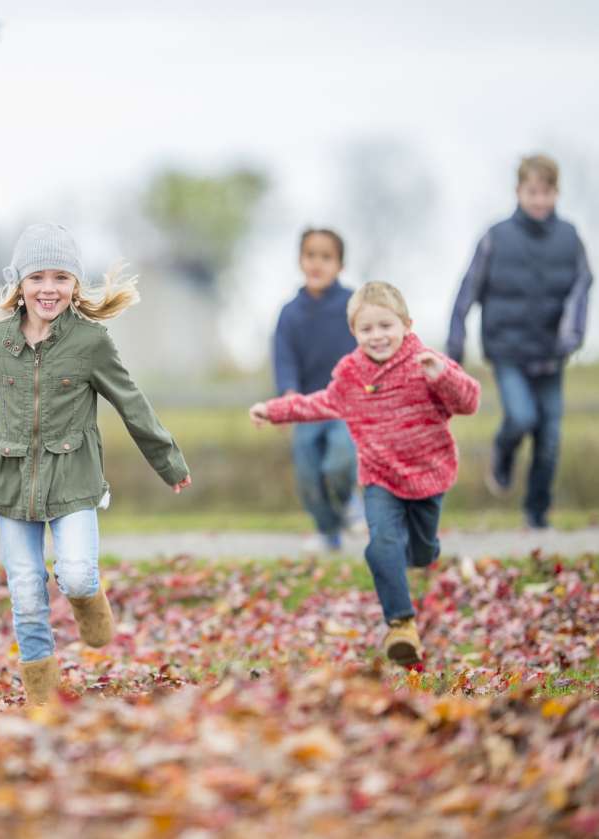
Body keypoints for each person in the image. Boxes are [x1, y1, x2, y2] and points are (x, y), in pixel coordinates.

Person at [0, 224, 192, 705]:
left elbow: (132, 403)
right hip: (9, 479)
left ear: (75, 285)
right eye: (38, 277)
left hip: (73, 478)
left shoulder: (92, 343)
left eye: (61, 278)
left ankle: (89, 600)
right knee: (26, 593)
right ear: (19, 284)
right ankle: (43, 699)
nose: (49, 288)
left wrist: (167, 459)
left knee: (75, 575)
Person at [252, 281, 480, 667]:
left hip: (427, 474)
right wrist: (275, 410)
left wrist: (443, 375)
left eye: (385, 326)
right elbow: (321, 403)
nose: (377, 336)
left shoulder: (427, 363)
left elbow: (469, 401)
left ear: (406, 324)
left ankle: (424, 553)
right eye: (366, 329)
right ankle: (400, 625)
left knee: (421, 553)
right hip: (380, 478)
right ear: (354, 333)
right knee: (380, 545)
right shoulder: (351, 374)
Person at [446, 153, 592, 529]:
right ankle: (503, 453)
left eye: (546, 192)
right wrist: (456, 340)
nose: (539, 200)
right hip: (507, 350)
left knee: (550, 437)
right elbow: (469, 288)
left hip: (550, 354)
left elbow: (582, 285)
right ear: (519, 191)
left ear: (556, 193)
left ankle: (536, 514)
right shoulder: (496, 236)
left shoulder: (570, 238)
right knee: (522, 416)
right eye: (532, 191)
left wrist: (572, 335)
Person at [272, 228, 361, 551]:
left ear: (340, 265)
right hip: (307, 406)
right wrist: (288, 390)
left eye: (326, 257)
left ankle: (349, 499)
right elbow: (283, 357)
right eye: (311, 255)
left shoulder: (353, 306)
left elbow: (367, 348)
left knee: (339, 462)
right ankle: (328, 530)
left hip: (344, 404)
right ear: (300, 260)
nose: (317, 263)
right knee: (309, 476)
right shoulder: (290, 313)